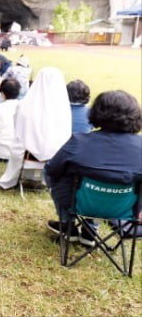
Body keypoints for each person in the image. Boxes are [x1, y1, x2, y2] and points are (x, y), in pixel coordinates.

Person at [44, 90, 141, 245]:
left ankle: (67, 223)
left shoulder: (79, 142)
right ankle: (90, 230)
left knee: (53, 173)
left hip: (78, 204)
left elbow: (51, 169)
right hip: (124, 211)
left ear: (96, 112)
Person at [0, 67, 72, 189]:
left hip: (26, 155)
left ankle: (12, 178)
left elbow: (17, 130)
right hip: (54, 156)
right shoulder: (64, 109)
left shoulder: (24, 105)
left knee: (19, 141)